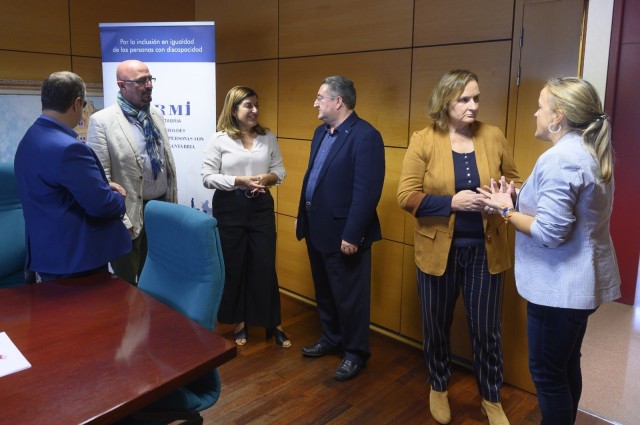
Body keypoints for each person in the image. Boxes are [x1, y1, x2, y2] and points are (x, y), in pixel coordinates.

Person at [477, 77, 621, 425]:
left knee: (548, 376)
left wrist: (505, 211)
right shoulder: (586, 151)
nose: (535, 113)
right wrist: (516, 198)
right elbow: (568, 212)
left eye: (540, 107)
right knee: (566, 365)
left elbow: (549, 233)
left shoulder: (560, 159)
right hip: (578, 287)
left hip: (560, 290)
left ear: (558, 117)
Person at [397, 70, 521, 425]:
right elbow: (405, 196)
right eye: (464, 99)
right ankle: (438, 386)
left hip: (485, 250)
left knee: (487, 330)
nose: (473, 106)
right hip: (438, 251)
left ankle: (491, 398)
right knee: (436, 325)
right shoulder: (423, 140)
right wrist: (453, 202)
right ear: (445, 102)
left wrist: (507, 195)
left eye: (476, 98)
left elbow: (516, 181)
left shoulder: (493, 135)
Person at [296, 76, 385, 381]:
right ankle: (331, 338)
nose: (315, 103)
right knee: (325, 291)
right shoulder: (321, 133)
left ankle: (355, 352)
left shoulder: (366, 136)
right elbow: (313, 178)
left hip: (345, 234)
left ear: (338, 101)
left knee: (350, 298)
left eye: (320, 97)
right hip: (317, 228)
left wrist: (352, 234)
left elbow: (367, 192)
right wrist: (303, 216)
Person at [14, 71, 131, 281]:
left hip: (47, 255)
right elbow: (101, 205)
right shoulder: (70, 149)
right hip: (77, 261)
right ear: (77, 103)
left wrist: (99, 186)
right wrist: (118, 196)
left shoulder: (30, 138)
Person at [202, 86, 290, 348]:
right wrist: (238, 180)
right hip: (229, 207)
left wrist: (268, 177)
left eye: (256, 105)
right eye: (248, 105)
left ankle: (273, 322)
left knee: (264, 263)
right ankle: (240, 321)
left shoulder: (268, 137)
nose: (254, 110)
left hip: (260, 206)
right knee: (235, 264)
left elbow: (280, 171)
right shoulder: (219, 139)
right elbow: (207, 177)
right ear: (233, 110)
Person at [87, 60, 177, 285]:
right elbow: (100, 179)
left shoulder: (155, 115)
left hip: (159, 210)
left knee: (156, 281)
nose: (149, 85)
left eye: (150, 79)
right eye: (141, 81)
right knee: (125, 286)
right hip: (126, 216)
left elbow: (166, 164)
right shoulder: (102, 121)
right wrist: (121, 219)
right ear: (122, 85)